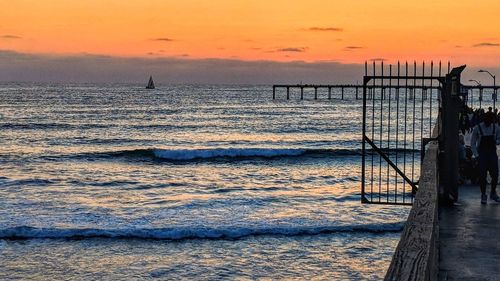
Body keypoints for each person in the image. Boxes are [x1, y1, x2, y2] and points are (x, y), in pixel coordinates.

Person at [471, 111, 500, 204]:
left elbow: (499, 138)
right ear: (485, 119)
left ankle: (493, 192)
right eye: (489, 120)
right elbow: (472, 143)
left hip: (492, 154)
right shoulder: (477, 128)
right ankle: (483, 194)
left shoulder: (496, 128)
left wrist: (497, 141)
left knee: (495, 175)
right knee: (482, 176)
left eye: (492, 120)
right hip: (482, 155)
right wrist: (476, 155)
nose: (490, 122)